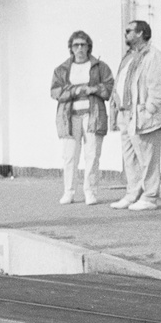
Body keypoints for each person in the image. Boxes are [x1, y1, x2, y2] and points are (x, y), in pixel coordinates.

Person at [110, 20, 161, 210]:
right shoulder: (129, 56)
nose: (125, 33)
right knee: (130, 158)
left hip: (142, 115)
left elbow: (159, 86)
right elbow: (121, 81)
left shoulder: (153, 56)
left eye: (129, 31)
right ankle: (132, 193)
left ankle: (150, 196)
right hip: (125, 114)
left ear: (141, 33)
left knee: (148, 158)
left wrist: (149, 110)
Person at [49, 31, 114, 204]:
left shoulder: (100, 67)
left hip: (93, 115)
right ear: (71, 48)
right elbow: (55, 91)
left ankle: (90, 192)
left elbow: (109, 88)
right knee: (70, 156)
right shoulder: (62, 69)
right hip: (69, 117)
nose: (79, 48)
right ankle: (69, 191)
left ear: (88, 47)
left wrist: (94, 89)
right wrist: (74, 91)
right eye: (76, 45)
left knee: (92, 155)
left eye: (83, 45)